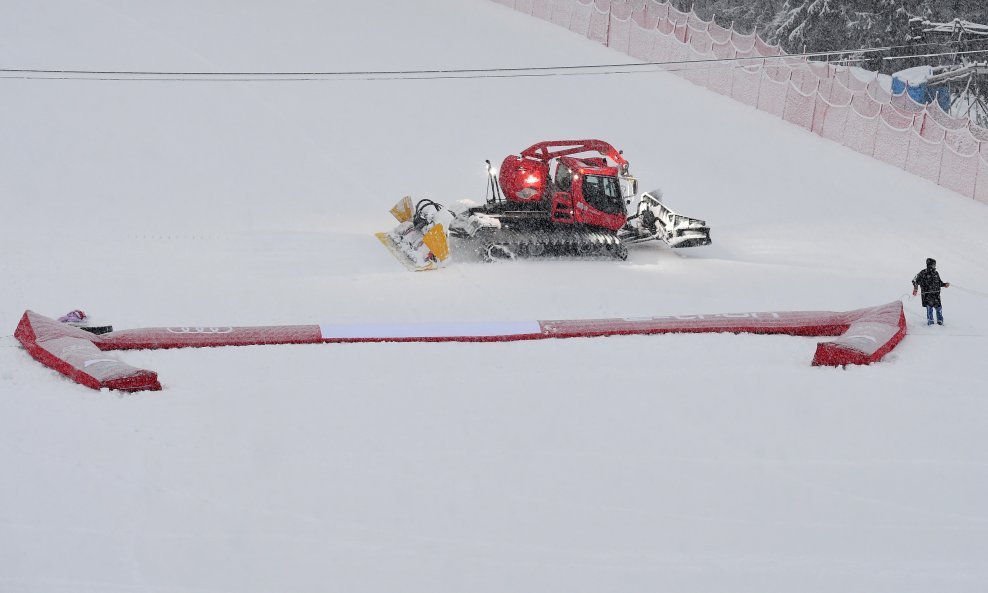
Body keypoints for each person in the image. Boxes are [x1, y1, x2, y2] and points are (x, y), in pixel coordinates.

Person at [912, 258, 950, 325]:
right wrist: (915, 288)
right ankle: (931, 323)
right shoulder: (923, 273)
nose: (934, 266)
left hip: (936, 295)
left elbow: (939, 283)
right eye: (933, 265)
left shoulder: (936, 273)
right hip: (927, 295)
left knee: (939, 308)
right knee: (930, 309)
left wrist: (944, 284)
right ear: (929, 264)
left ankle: (940, 322)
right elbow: (914, 280)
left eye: (934, 265)